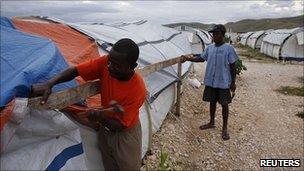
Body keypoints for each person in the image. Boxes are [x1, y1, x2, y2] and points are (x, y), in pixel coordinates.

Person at [30, 38, 147, 170]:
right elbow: (75, 71)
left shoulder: (137, 89)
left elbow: (119, 125)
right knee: (109, 165)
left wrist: (99, 116)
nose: (110, 67)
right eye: (110, 61)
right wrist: (49, 83)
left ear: (132, 67)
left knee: (128, 167)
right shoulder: (107, 63)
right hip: (105, 130)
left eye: (117, 66)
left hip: (125, 136)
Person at [182, 24, 238, 140]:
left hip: (223, 82)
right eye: (213, 34)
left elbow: (233, 66)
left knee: (224, 104)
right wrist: (188, 58)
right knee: (212, 102)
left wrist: (233, 83)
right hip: (211, 82)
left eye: (217, 34)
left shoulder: (229, 49)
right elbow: (202, 58)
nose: (214, 36)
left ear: (222, 35)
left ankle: (224, 128)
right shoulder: (210, 48)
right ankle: (211, 122)